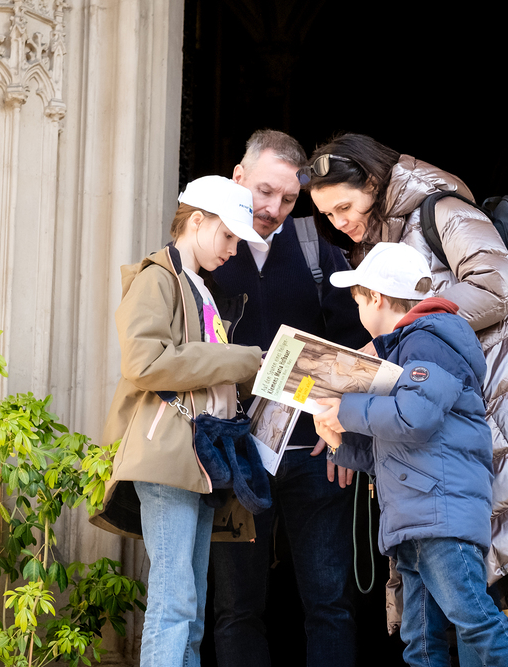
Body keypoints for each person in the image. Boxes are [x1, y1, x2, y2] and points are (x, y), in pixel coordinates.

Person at [302, 133, 508, 667]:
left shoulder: (439, 208)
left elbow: (494, 286)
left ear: (372, 182)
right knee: (474, 560)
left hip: (506, 393)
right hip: (455, 404)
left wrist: (404, 329)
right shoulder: (382, 233)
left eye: (344, 207)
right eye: (327, 215)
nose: (339, 222)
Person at [312, 241, 508, 667]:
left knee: (475, 621)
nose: (358, 313)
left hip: (438, 515)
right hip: (419, 516)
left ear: (376, 297)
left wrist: (346, 409)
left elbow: (415, 417)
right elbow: (395, 449)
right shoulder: (414, 345)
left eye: (358, 301)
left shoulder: (428, 341)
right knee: (420, 640)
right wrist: (339, 441)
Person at [90, 176, 267, 667]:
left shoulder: (201, 287)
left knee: (190, 607)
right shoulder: (158, 278)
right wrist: (242, 359)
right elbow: (145, 363)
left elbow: (201, 372)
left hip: (200, 456)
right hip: (168, 453)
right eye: (227, 235)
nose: (233, 249)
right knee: (175, 602)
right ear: (197, 221)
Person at [208, 130, 367, 667]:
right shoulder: (207, 253)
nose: (274, 208)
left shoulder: (315, 248)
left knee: (331, 605)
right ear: (238, 177)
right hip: (234, 458)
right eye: (264, 191)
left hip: (314, 458)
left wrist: (347, 433)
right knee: (236, 609)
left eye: (289, 198)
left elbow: (358, 344)